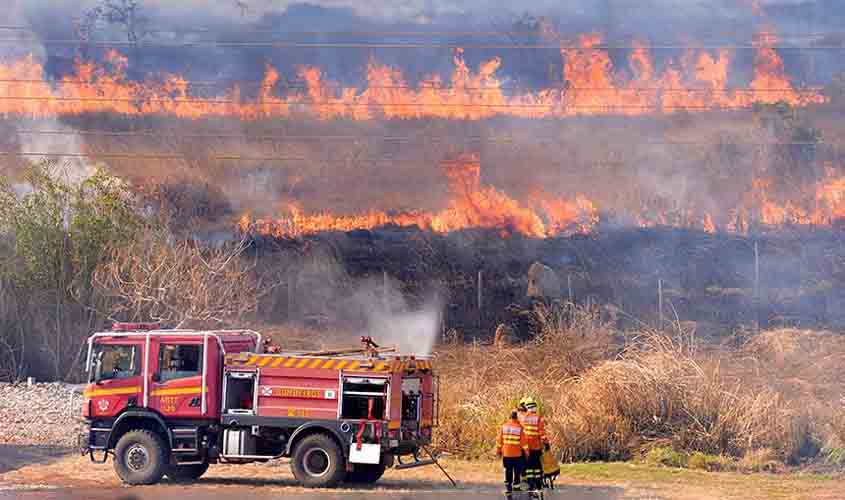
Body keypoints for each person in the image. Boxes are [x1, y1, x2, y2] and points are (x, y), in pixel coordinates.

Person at [496, 410, 529, 498]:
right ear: (516, 417)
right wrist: (527, 452)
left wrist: (498, 450)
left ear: (510, 417)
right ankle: (516, 486)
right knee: (517, 471)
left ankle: (508, 488)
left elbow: (500, 440)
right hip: (517, 454)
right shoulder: (519, 427)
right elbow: (523, 442)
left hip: (506, 454)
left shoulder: (504, 427)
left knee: (508, 470)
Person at [519, 396, 549, 493]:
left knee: (529, 467)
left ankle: (531, 484)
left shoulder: (524, 418)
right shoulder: (538, 418)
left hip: (527, 447)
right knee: (537, 466)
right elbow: (542, 433)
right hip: (536, 446)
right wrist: (546, 443)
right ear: (535, 407)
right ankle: (538, 484)